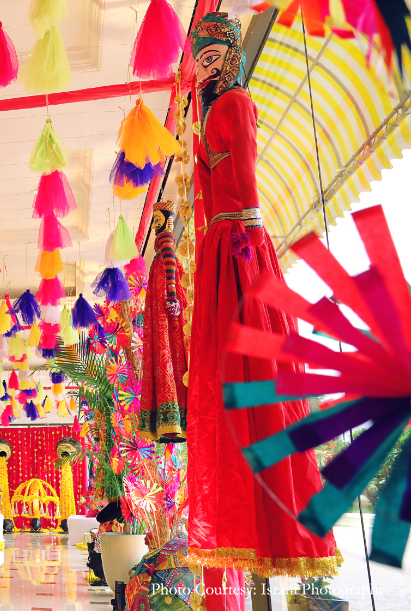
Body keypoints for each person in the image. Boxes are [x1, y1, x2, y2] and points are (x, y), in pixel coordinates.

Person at [185, 13, 339, 610]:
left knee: (240, 385)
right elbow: (235, 187)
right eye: (200, 57)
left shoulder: (219, 113)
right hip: (232, 250)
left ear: (227, 56)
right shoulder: (225, 108)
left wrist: (235, 255)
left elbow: (226, 193)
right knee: (252, 384)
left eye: (210, 55)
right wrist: (244, 245)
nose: (205, 65)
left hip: (226, 253)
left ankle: (257, 530)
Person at [139, 201, 188, 442]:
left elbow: (170, 266)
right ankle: (173, 417)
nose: (155, 226)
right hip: (163, 305)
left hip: (165, 307)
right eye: (154, 221)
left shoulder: (166, 242)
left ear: (167, 221)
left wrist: (172, 295)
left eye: (158, 220)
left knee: (167, 349)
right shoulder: (162, 247)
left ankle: (171, 417)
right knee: (167, 351)